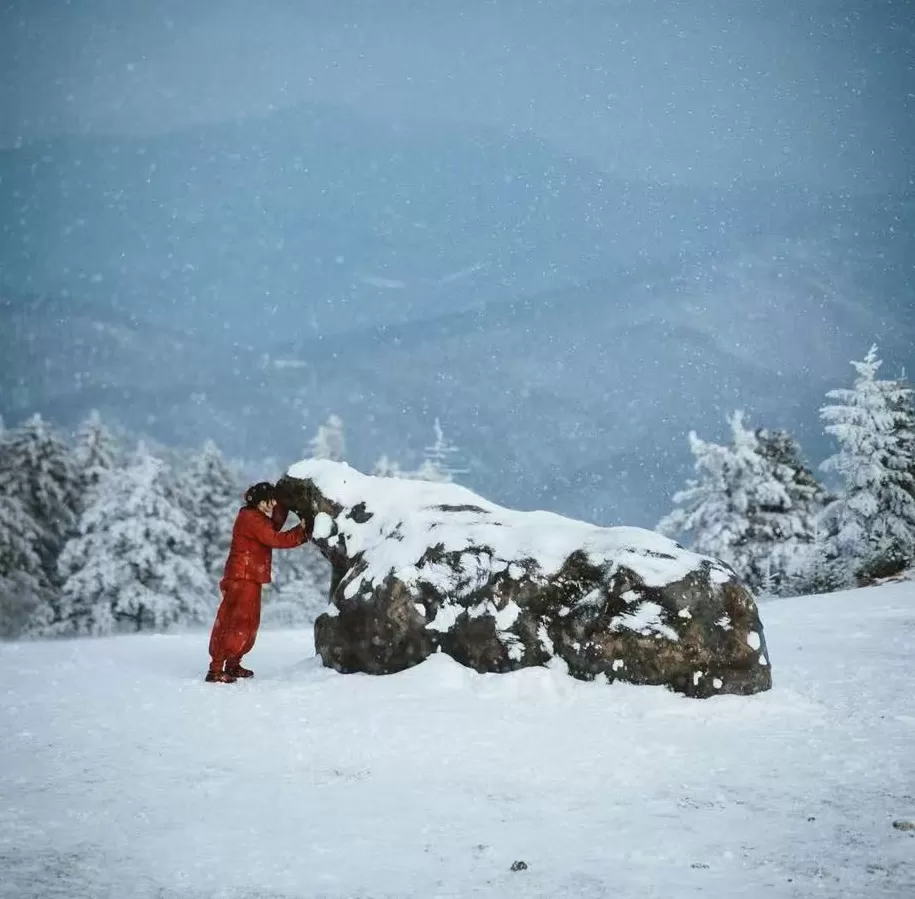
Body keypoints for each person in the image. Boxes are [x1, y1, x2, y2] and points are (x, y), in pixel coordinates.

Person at [205, 481, 310, 683]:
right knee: (234, 622)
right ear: (260, 502)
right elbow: (275, 538)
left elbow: (272, 527)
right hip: (242, 577)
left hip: (249, 577)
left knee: (247, 623)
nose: (272, 506)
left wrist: (285, 505)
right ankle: (216, 669)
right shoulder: (250, 519)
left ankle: (233, 664)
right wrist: (302, 531)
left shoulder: (255, 517)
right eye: (270, 502)